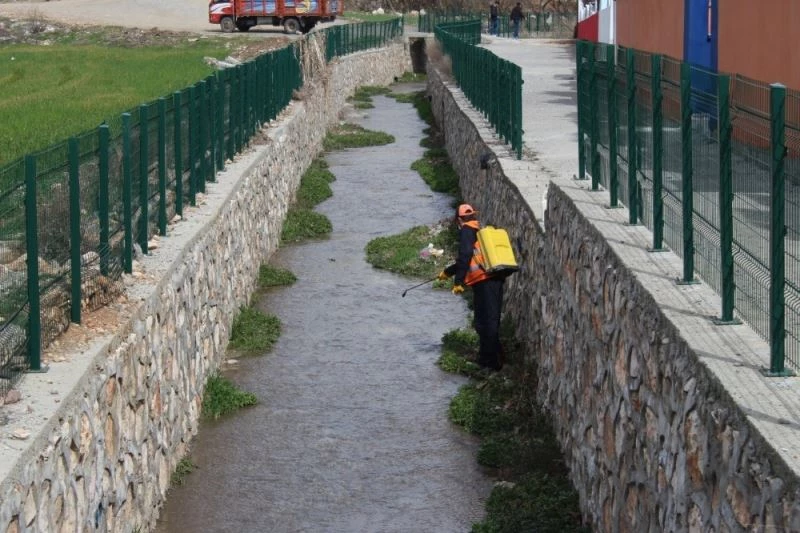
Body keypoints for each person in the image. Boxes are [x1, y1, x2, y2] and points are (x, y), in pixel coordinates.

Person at [438, 204, 505, 371]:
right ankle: (495, 359)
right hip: (493, 278)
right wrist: (448, 272)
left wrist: (458, 282)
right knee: (490, 320)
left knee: (485, 323)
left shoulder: (467, 230)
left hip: (484, 280)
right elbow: (473, 257)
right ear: (473, 216)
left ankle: (489, 363)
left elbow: (466, 255)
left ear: (459, 220)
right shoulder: (478, 228)